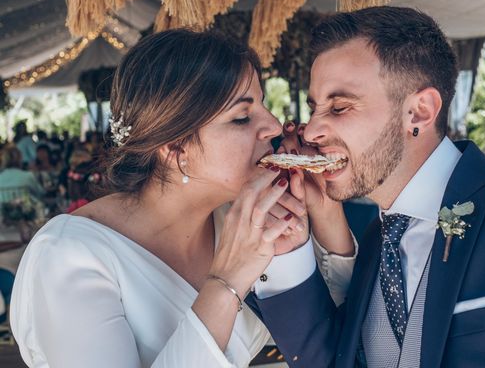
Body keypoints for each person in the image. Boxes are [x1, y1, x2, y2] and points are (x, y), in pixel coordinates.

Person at [248, 6, 485, 367]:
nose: (312, 129)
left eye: (339, 107)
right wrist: (289, 245)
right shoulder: (375, 243)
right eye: (314, 107)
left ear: (419, 111)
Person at [10, 30, 354, 368]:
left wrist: (325, 209)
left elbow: (337, 332)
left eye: (263, 105)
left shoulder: (235, 218)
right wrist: (225, 282)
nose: (275, 127)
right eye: (242, 117)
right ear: (175, 147)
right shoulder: (70, 256)